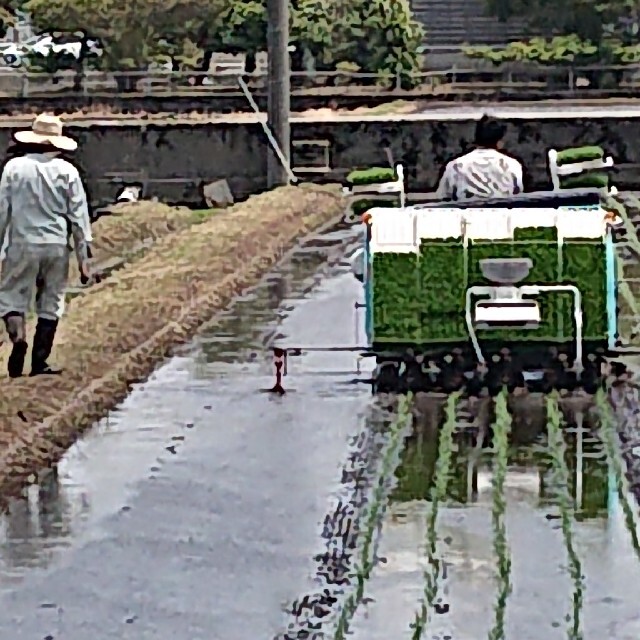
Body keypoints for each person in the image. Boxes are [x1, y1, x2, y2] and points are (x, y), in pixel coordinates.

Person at [0, 113, 92, 378]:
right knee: (51, 300)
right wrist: (84, 260)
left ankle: (18, 339)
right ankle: (40, 362)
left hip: (22, 242)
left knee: (11, 296)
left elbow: (3, 211)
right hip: (56, 245)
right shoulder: (68, 171)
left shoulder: (14, 168)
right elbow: (79, 217)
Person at [435, 115, 524, 201]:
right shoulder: (512, 165)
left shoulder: (456, 166)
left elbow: (444, 196)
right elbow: (517, 195)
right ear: (500, 141)